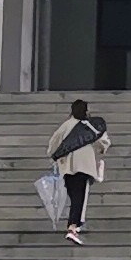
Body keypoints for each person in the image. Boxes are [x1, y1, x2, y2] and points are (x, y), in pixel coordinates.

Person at [47, 98, 110, 246]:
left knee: (74, 196)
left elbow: (53, 144)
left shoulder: (66, 125)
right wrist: (101, 149)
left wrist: (54, 156)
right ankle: (73, 227)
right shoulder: (90, 126)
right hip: (84, 166)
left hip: (67, 168)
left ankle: (75, 224)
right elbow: (103, 142)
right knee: (80, 198)